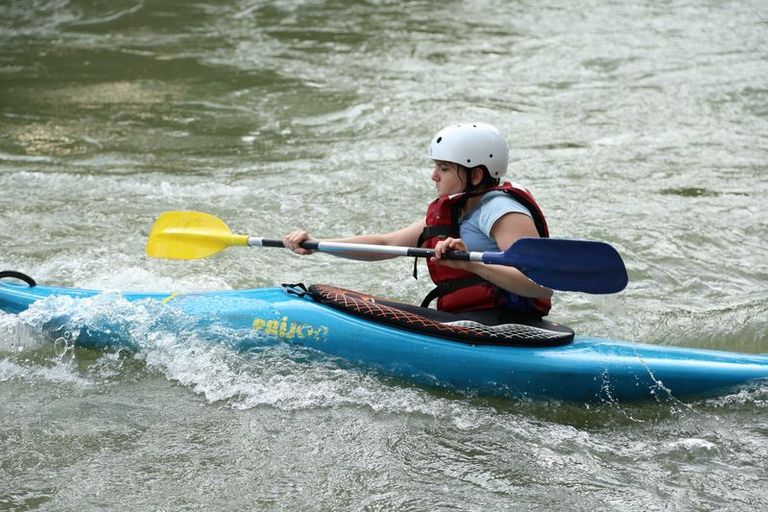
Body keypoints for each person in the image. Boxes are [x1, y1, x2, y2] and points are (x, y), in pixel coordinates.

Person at [283, 122, 553, 325]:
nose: (434, 176)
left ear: (476, 174)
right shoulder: (457, 209)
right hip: (466, 321)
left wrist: (469, 263)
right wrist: (318, 244)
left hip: (505, 324)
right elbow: (386, 244)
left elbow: (538, 284)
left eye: (444, 168)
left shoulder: (502, 212)